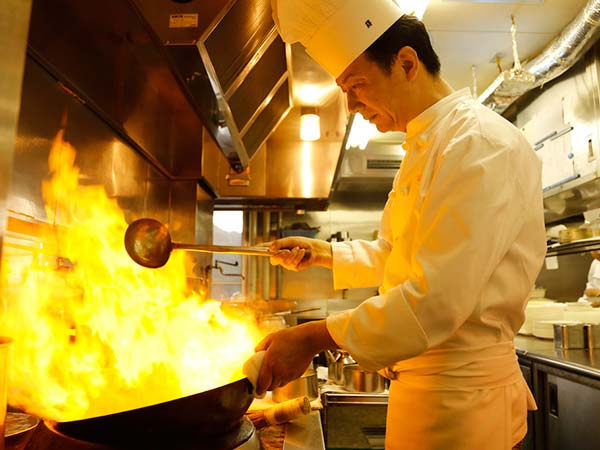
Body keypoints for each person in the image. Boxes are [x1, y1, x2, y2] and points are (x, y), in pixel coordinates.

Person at [247, 1, 546, 449]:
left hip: (461, 404)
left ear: (406, 63)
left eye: (357, 85)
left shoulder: (478, 143)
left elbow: (437, 298)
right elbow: (399, 254)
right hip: (424, 390)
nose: (349, 106)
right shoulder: (425, 146)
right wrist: (326, 254)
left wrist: (314, 337)